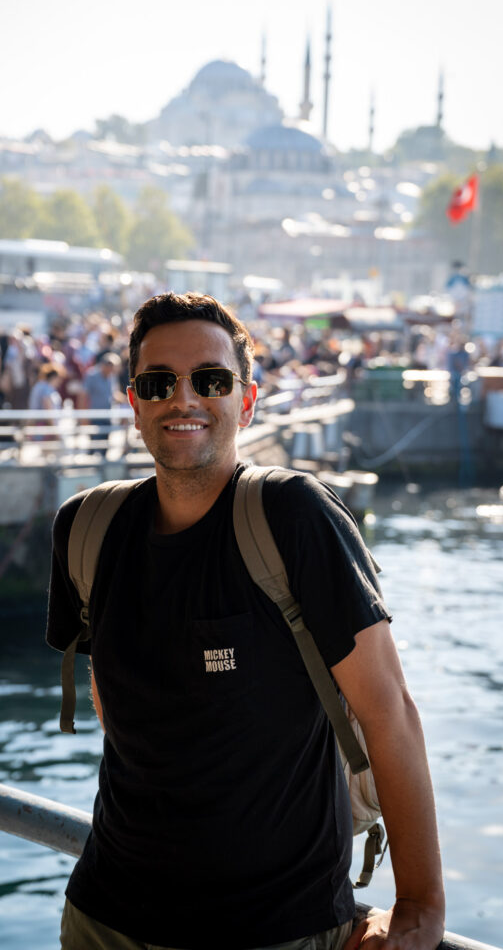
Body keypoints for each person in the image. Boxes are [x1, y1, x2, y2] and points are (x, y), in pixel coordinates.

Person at [47, 292, 445, 950]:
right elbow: (114, 696)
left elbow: (388, 711)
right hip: (105, 918)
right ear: (134, 404)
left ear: (247, 400)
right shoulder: (84, 528)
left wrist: (420, 905)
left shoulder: (293, 517)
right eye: (158, 382)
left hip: (275, 928)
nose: (184, 399)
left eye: (210, 379)